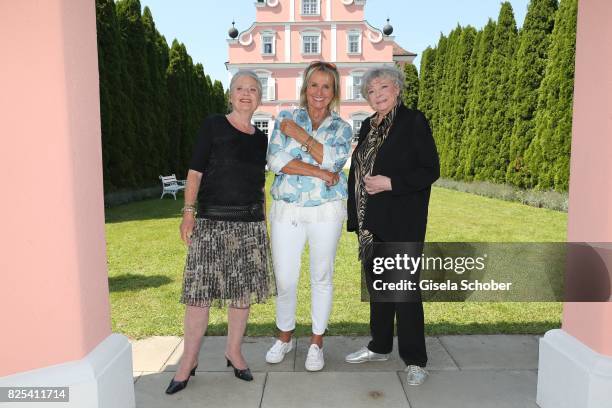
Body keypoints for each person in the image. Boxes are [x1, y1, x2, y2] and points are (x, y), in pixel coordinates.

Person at [166, 70, 274, 394]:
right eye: (240, 88)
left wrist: (263, 225)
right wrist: (188, 213)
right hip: (212, 224)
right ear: (230, 95)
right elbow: (195, 171)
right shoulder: (213, 125)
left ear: (259, 98)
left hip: (250, 225)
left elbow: (258, 185)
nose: (246, 94)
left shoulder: (260, 138)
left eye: (253, 89)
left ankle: (234, 351)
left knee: (241, 295)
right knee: (199, 296)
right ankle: (189, 360)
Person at [344, 66, 439, 386]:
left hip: (403, 220)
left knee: (405, 292)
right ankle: (380, 346)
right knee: (380, 288)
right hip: (372, 221)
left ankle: (415, 360)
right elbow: (359, 171)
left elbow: (430, 169)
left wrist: (391, 182)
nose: (377, 95)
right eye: (370, 91)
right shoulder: (370, 127)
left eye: (383, 87)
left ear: (397, 88)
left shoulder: (413, 121)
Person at [265, 61, 353, 371]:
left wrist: (301, 138)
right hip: (287, 208)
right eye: (313, 85)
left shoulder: (343, 127)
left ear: (334, 92)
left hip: (325, 211)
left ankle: (316, 343)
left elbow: (334, 159)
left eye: (325, 86)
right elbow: (275, 160)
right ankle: (284, 337)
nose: (318, 92)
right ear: (305, 88)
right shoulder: (286, 117)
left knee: (321, 276)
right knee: (286, 278)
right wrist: (318, 170)